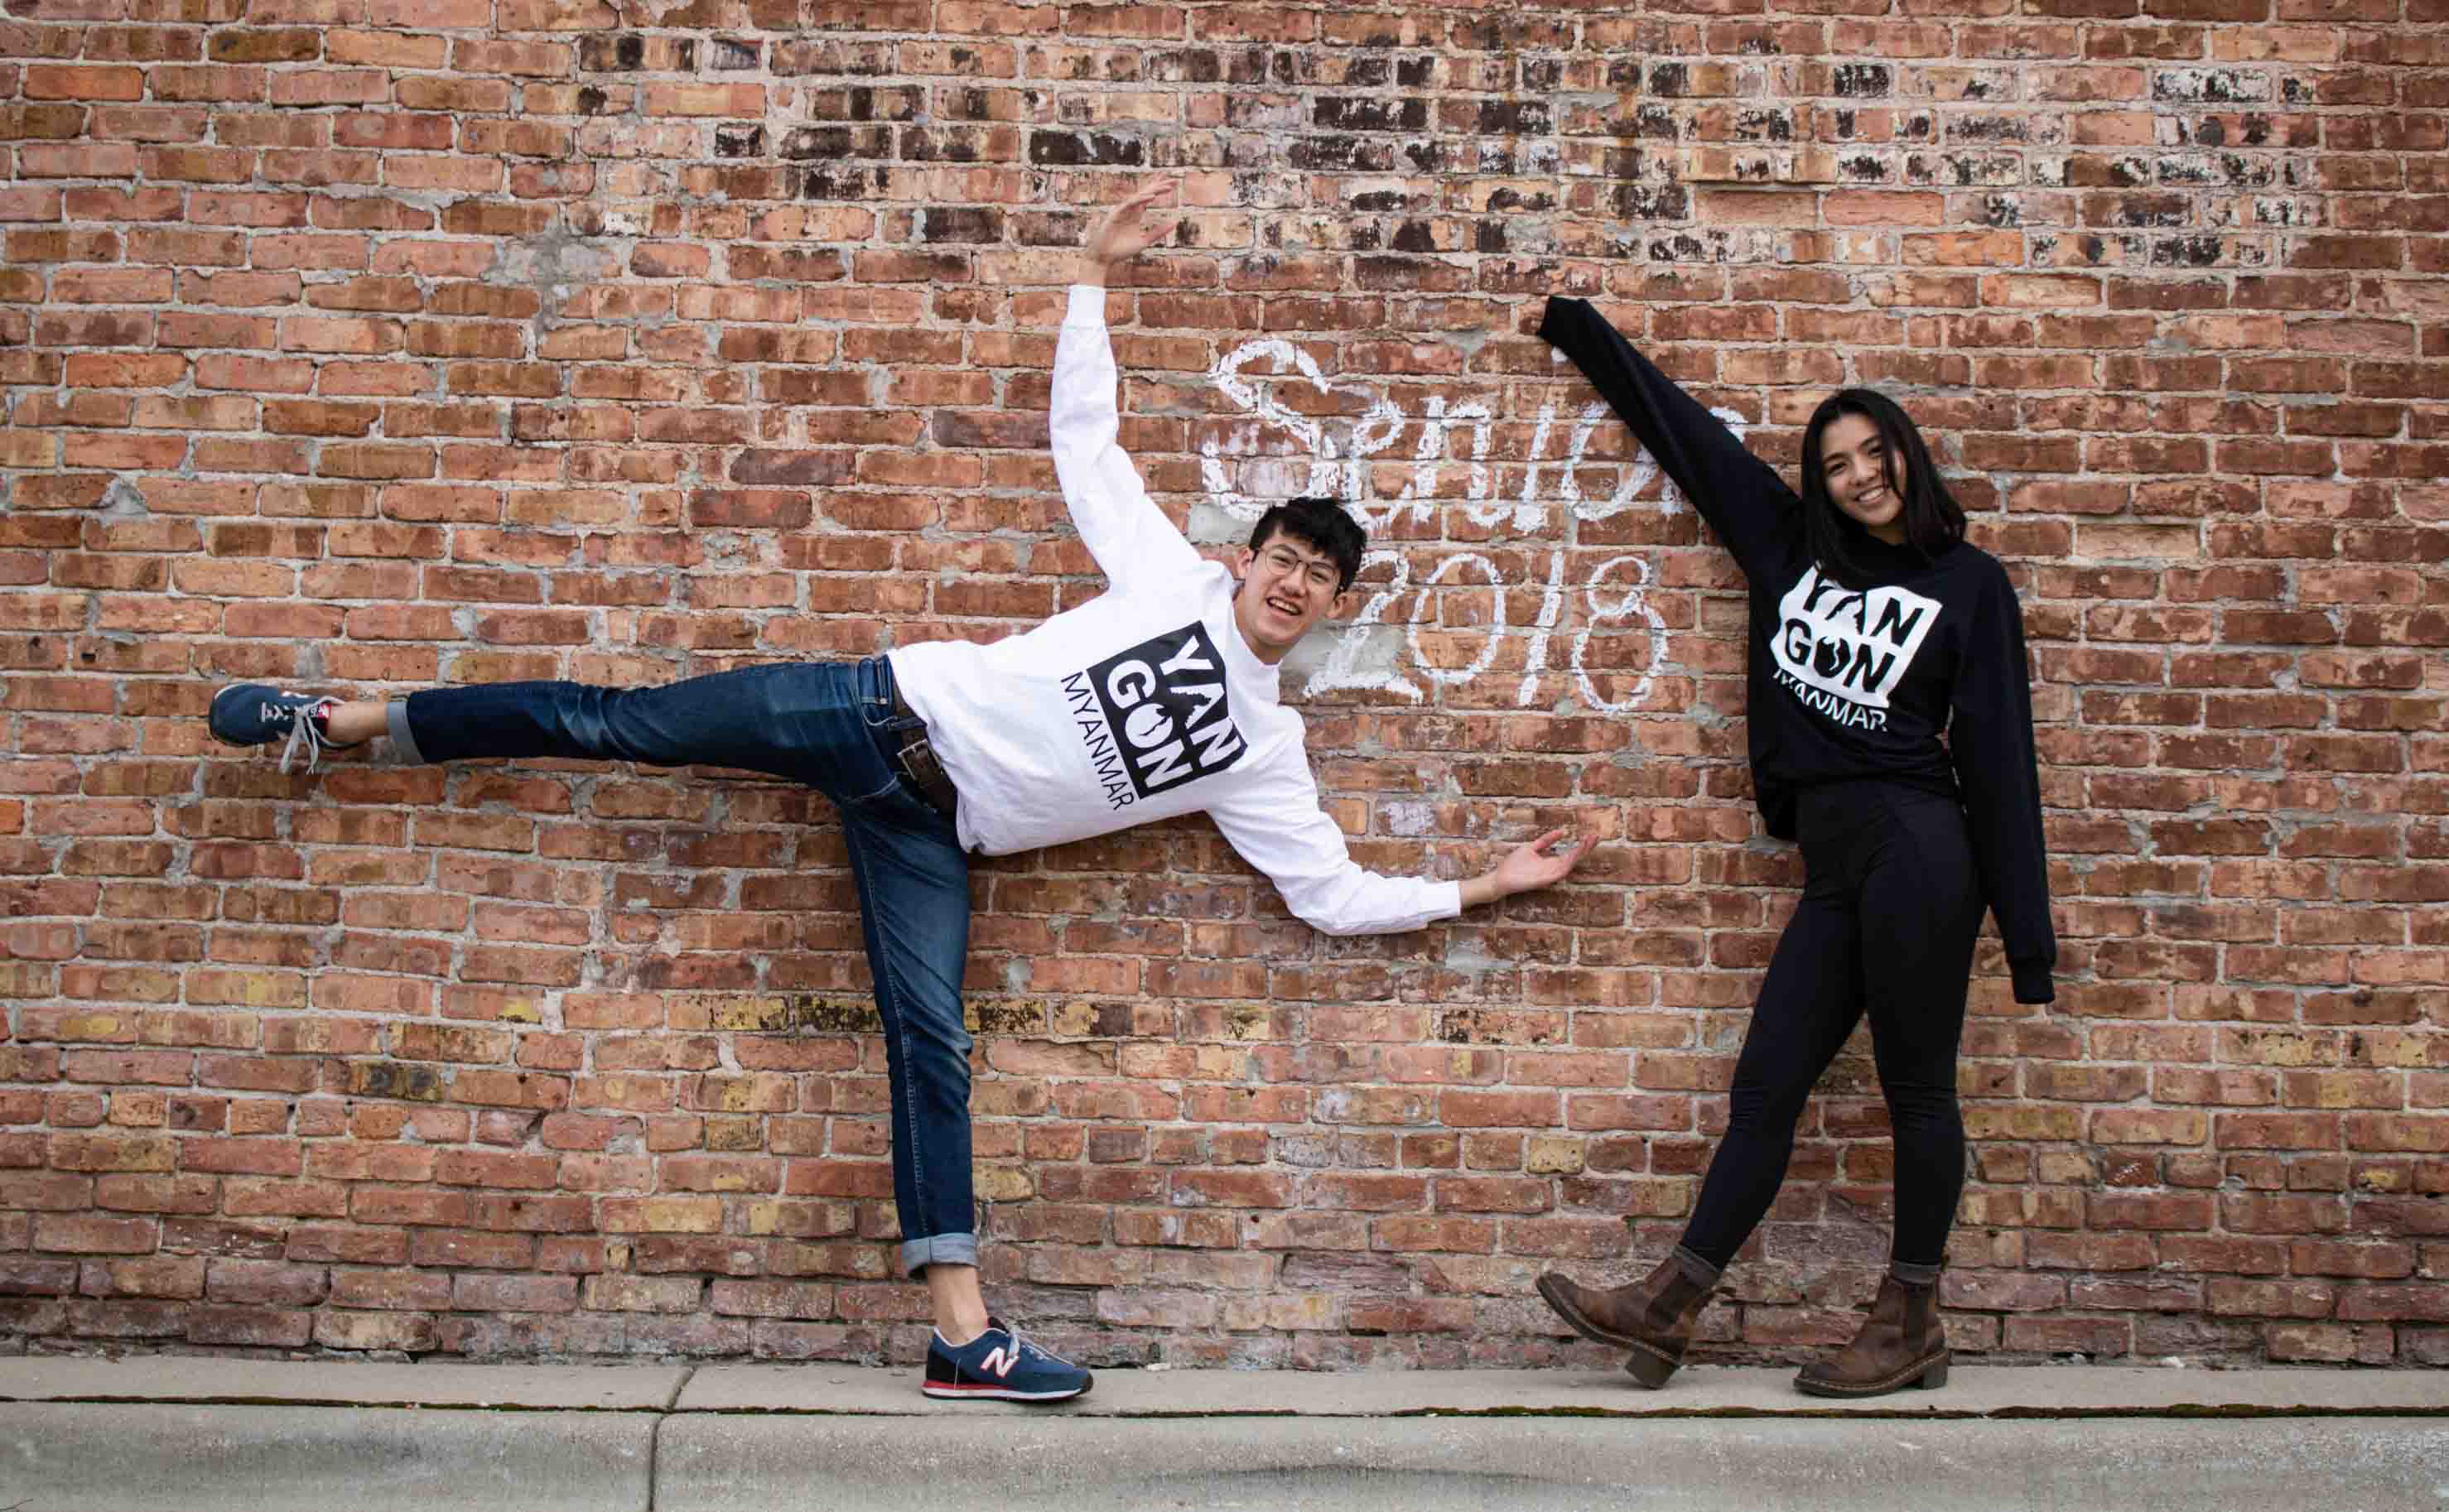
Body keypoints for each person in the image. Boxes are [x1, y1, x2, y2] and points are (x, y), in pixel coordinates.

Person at [206, 179, 1593, 1403]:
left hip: (930, 828)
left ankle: (962, 1338)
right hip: (874, 703)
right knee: (620, 722)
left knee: (932, 1047)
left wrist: (1486, 882)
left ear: (1334, 609)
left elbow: (1329, 893)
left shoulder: (1263, 749)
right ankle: (345, 715)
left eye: (1320, 580)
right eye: (1282, 555)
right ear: (1248, 557)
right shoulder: (1171, 576)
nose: (1293, 583)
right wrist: (1092, 271)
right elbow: (1087, 442)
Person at [1530, 296, 2053, 1398]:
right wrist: (1578, 330)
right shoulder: (1783, 545)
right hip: (1832, 868)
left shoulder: (1971, 586)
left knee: (1917, 1090)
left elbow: (2002, 762)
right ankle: (1668, 1305)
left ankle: (1908, 1320)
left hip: (1921, 853)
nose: (1859, 474)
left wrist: (2027, 939)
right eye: (1836, 462)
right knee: (1765, 1084)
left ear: (1906, 456)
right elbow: (1689, 441)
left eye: (1875, 453)